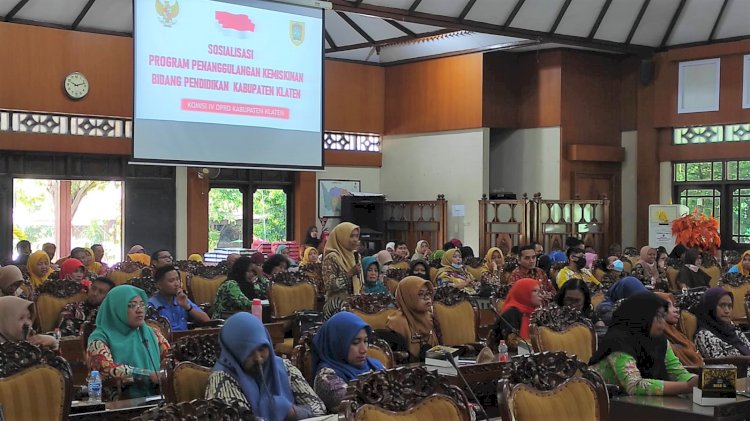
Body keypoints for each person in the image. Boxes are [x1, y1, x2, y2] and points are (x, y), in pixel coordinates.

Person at [205, 313, 326, 420]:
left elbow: (319, 408)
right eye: (249, 352)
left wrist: (293, 412)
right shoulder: (221, 379)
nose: (258, 358)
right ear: (234, 351)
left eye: (262, 349)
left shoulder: (283, 366)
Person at [590, 292, 698, 395]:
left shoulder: (660, 341)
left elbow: (677, 373)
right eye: (658, 317)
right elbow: (633, 385)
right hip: (605, 403)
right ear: (641, 317)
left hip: (639, 405)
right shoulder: (618, 342)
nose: (663, 323)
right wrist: (686, 386)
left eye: (663, 317)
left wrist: (698, 381)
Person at [87, 285, 170, 399]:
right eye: (131, 305)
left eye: (141, 304)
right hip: (119, 402)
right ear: (116, 308)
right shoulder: (99, 337)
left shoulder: (152, 333)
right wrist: (146, 375)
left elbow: (170, 356)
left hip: (157, 396)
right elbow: (105, 367)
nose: (139, 310)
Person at [312, 312, 384, 412]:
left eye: (366, 341)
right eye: (355, 342)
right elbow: (361, 410)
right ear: (337, 343)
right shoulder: (326, 378)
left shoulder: (376, 365)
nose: (364, 350)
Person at [385, 276, 438, 362]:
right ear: (408, 297)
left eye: (428, 293)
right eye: (421, 294)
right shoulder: (397, 322)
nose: (427, 298)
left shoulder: (430, 317)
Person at [148, 265, 210, 332]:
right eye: (171, 281)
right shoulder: (152, 305)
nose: (177, 284)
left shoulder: (181, 298)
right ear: (159, 285)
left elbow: (206, 320)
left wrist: (187, 307)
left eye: (177, 279)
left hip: (186, 339)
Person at [321, 223, 363, 319]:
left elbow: (360, 283)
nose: (355, 239)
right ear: (341, 237)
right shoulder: (331, 257)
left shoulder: (356, 256)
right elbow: (330, 286)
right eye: (351, 236)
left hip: (354, 303)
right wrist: (349, 274)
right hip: (336, 306)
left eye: (357, 236)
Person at [694, 288, 750, 358]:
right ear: (710, 307)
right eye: (722, 305)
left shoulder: (733, 329)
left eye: (729, 306)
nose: (727, 311)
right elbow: (721, 365)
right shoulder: (704, 335)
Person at [654, 292, 704, 367]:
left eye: (674, 306)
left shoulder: (677, 334)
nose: (676, 310)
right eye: (668, 306)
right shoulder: (659, 339)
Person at [491, 278, 542, 348]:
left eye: (540, 291)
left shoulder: (537, 313)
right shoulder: (511, 314)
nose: (540, 295)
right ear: (523, 293)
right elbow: (512, 344)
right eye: (535, 291)